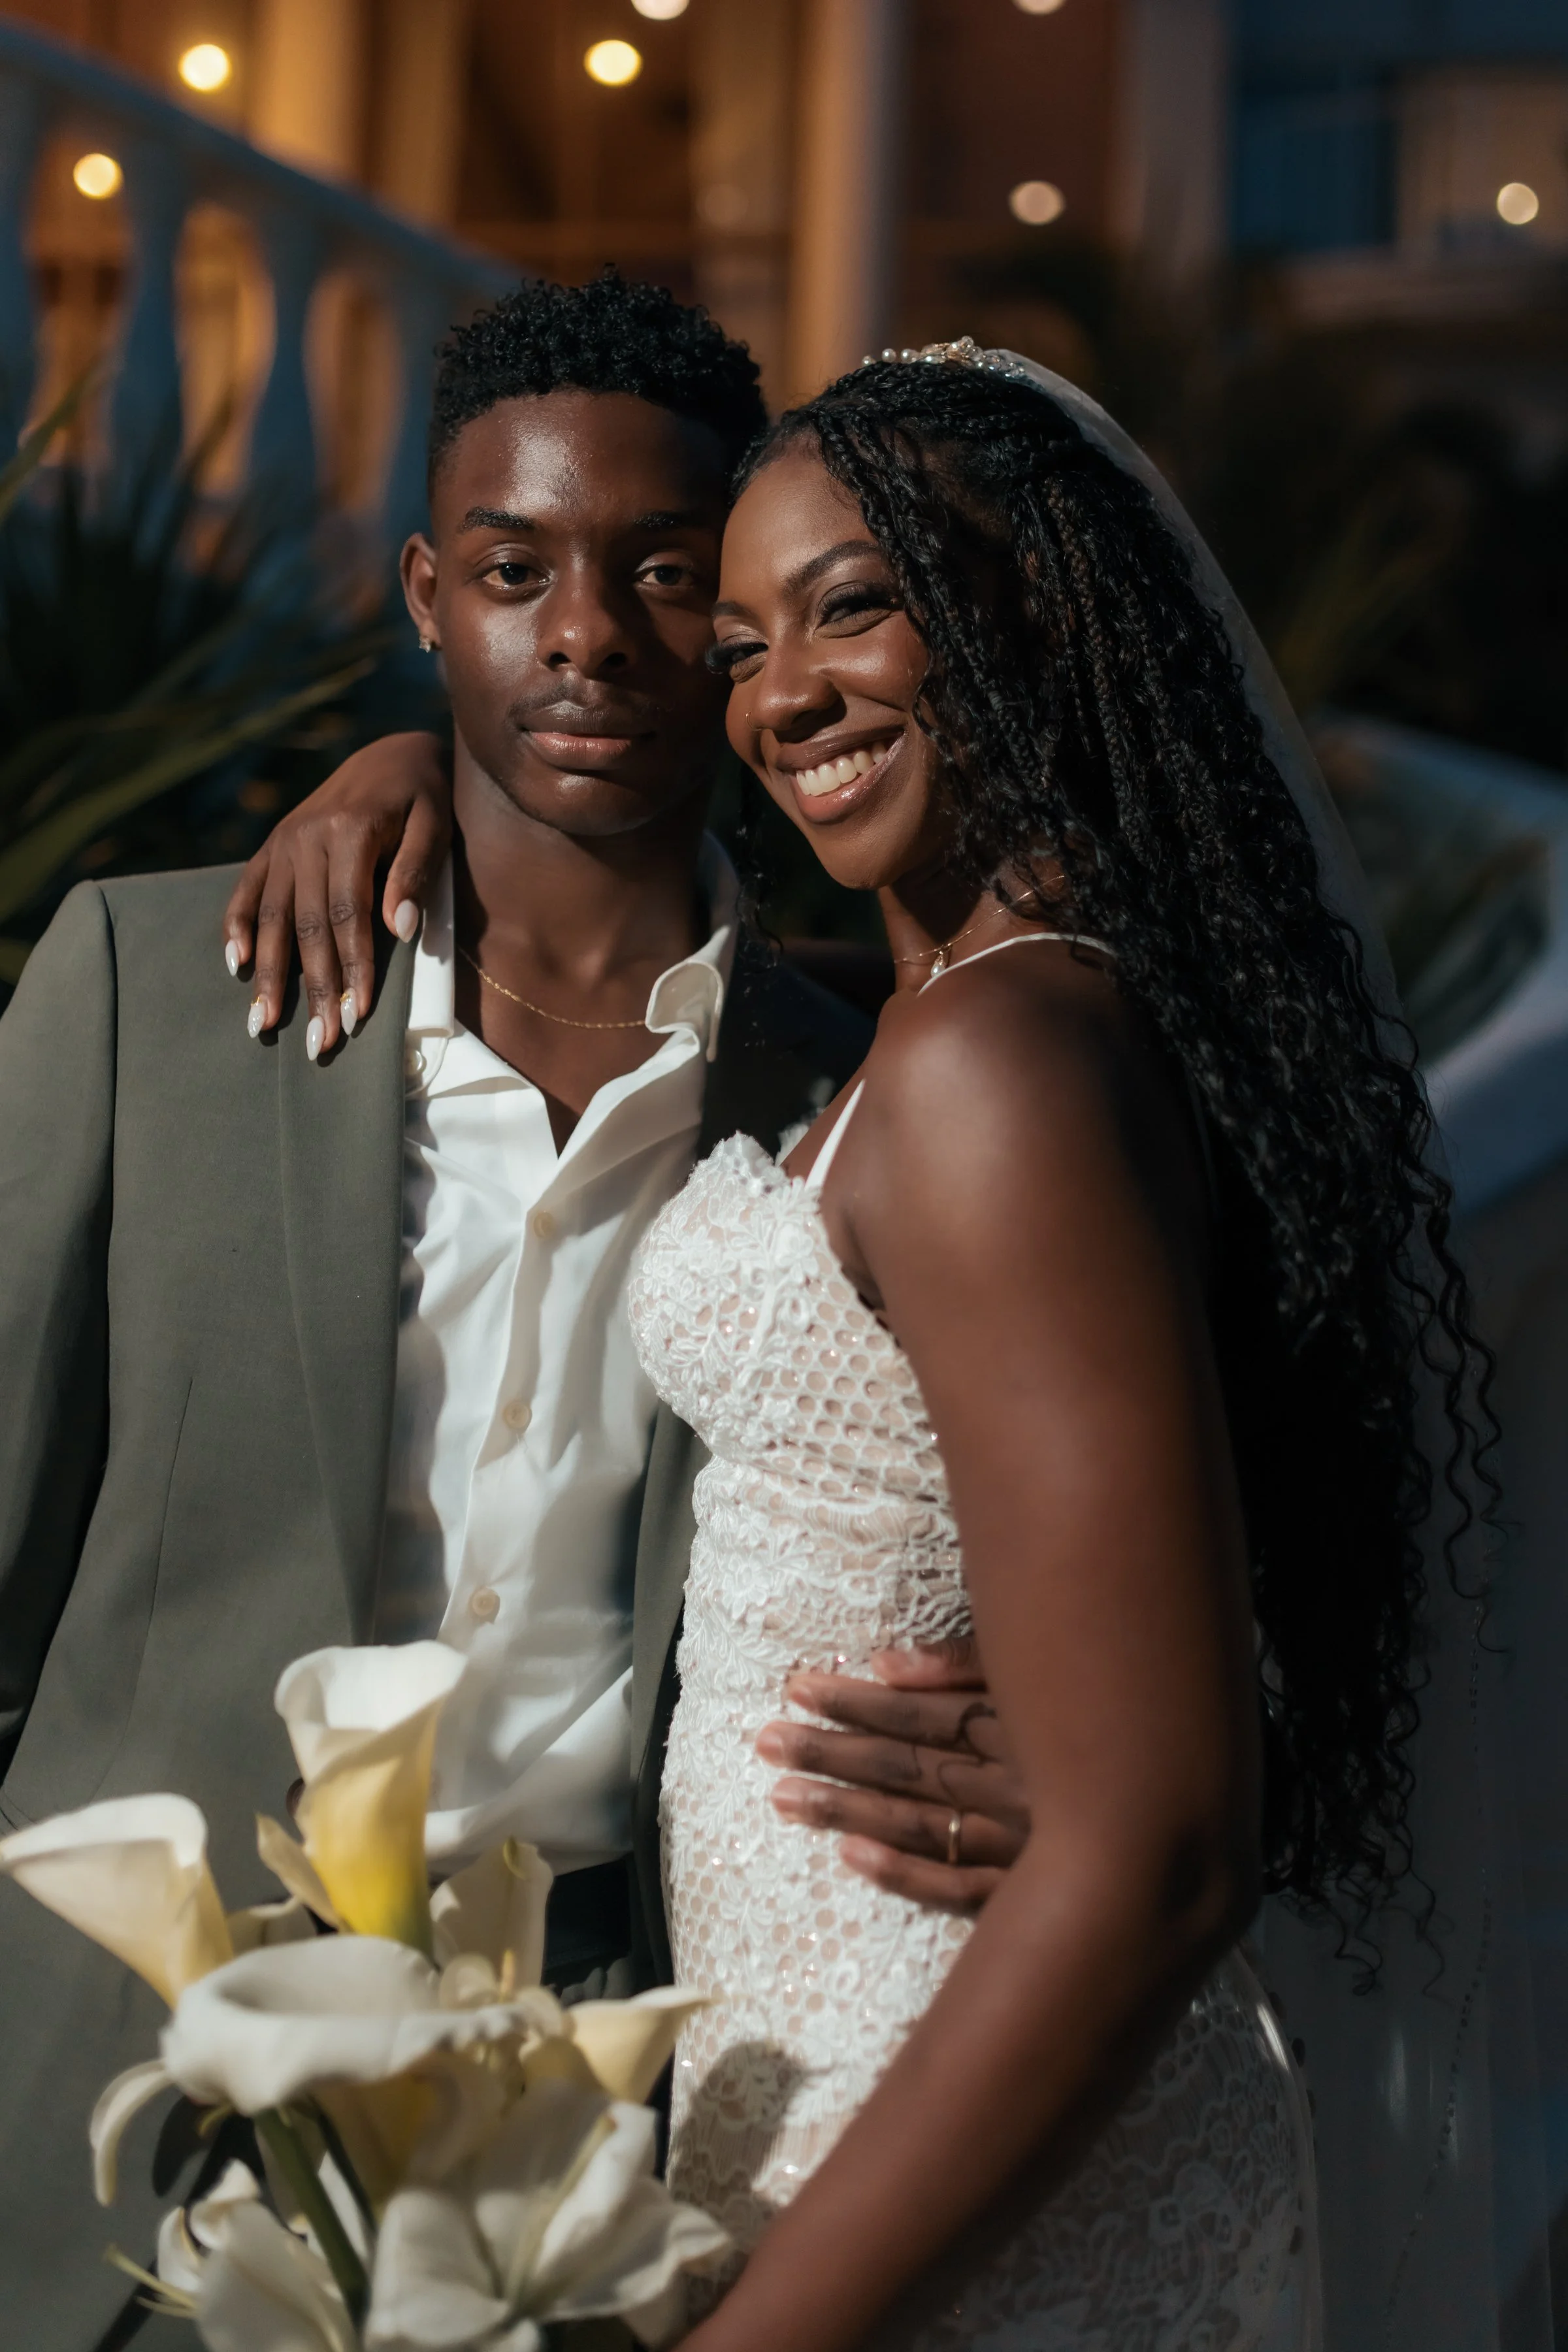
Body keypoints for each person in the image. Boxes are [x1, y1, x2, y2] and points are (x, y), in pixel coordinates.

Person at [291, 343, 1508, 2349]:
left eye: (857, 607)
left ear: (1044, 617)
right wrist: (418, 766)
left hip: (954, 2121)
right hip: (857, 2065)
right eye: (748, 637)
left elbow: (1150, 1855)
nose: (779, 697)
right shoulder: (978, 1015)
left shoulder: (992, 1067)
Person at [0, 278, 1026, 2351]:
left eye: (663, 574)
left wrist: (1070, 1755)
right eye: (510, 571)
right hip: (118, 2093)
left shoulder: (860, 1095)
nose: (584, 635)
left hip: (601, 2112)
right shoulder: (148, 992)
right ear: (422, 597)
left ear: (738, 620)